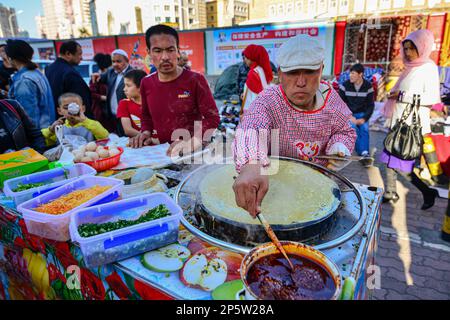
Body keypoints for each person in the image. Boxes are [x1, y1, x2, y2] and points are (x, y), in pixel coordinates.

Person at [232, 34, 357, 218]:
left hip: (320, 186)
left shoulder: (331, 99)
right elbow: (252, 124)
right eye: (292, 73)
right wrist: (252, 163)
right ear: (280, 74)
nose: (301, 82)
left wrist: (339, 146)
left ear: (321, 70)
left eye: (309, 71)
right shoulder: (270, 99)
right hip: (276, 189)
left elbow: (344, 131)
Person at [129, 24, 220, 157]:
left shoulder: (195, 80)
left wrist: (192, 143)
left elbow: (212, 117)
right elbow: (146, 116)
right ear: (149, 53)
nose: (165, 57)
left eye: (170, 50)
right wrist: (146, 133)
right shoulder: (146, 83)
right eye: (158, 51)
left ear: (177, 50)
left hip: (195, 154)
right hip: (164, 154)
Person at [380, 29, 440, 209]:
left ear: (421, 47)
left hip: (411, 127)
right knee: (389, 161)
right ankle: (391, 193)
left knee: (402, 166)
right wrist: (394, 95)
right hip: (397, 123)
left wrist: (402, 95)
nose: (407, 53)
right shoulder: (410, 67)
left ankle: (427, 191)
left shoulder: (428, 68)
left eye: (411, 48)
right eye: (405, 48)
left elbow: (431, 99)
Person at [5, 39, 56, 130]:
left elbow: (29, 117)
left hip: (39, 137)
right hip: (48, 131)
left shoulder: (23, 81)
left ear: (11, 58)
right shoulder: (36, 73)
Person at [338, 63, 375, 167]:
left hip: (362, 114)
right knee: (353, 127)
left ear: (360, 74)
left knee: (364, 128)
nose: (350, 76)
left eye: (353, 73)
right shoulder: (345, 85)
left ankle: (364, 153)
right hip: (349, 114)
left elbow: (371, 105)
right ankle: (363, 153)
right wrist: (349, 116)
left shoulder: (368, 86)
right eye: (350, 73)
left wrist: (364, 118)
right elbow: (340, 104)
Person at [45, 40, 93, 118]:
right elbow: (82, 101)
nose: (81, 57)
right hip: (73, 121)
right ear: (68, 54)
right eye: (79, 54)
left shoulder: (49, 68)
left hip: (57, 119)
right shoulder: (69, 73)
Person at [42, 93, 109, 147]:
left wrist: (85, 121)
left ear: (83, 109)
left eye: (75, 107)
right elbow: (42, 141)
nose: (71, 110)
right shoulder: (58, 127)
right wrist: (50, 130)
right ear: (59, 111)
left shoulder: (90, 125)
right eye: (66, 107)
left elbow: (104, 137)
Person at [91, 49, 133, 135]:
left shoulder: (133, 73)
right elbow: (101, 77)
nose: (115, 64)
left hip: (127, 116)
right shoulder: (111, 71)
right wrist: (96, 75)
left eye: (118, 61)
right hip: (112, 115)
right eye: (113, 61)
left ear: (127, 61)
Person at [241, 44, 273, 114]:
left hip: (254, 113)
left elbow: (255, 98)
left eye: (246, 57)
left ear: (251, 57)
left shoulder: (253, 73)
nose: (245, 60)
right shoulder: (261, 70)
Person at [90, 53, 116, 133]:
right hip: (101, 112)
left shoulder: (113, 76)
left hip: (111, 111)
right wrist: (104, 98)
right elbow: (91, 93)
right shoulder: (96, 78)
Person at [117, 69, 147, 138]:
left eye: (128, 86)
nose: (124, 89)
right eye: (124, 85)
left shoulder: (153, 103)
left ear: (140, 87)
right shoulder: (124, 103)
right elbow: (128, 130)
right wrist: (148, 138)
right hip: (138, 146)